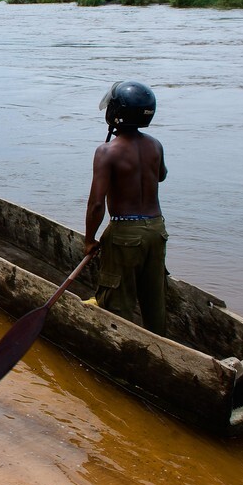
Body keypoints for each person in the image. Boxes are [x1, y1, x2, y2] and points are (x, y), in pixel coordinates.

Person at [83, 80, 169, 335]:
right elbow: (161, 176)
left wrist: (89, 239)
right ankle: (160, 342)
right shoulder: (155, 145)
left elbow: (97, 203)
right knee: (154, 299)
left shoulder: (107, 152)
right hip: (156, 229)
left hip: (125, 234)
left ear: (116, 113)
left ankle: (118, 346)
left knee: (116, 302)